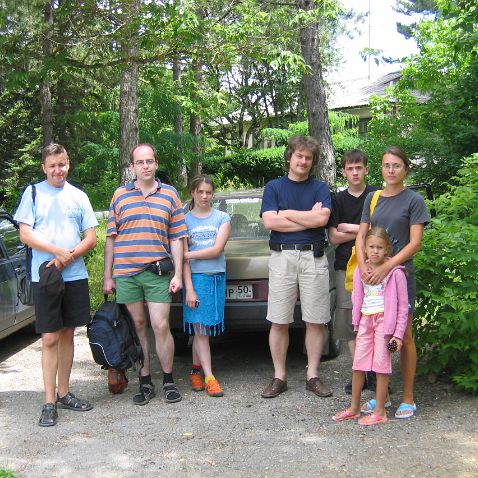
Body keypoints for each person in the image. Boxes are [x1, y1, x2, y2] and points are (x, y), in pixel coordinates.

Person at [14, 143, 98, 427]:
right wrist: (55, 251)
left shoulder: (78, 196)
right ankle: (48, 401)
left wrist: (68, 256)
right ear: (44, 168)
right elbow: (26, 234)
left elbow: (91, 237)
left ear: (68, 163)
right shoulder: (33, 193)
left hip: (74, 275)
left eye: (61, 164)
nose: (57, 170)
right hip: (45, 277)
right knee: (49, 337)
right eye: (52, 166)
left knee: (67, 333)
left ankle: (64, 393)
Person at [103, 143, 187, 406]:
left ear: (156, 164)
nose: (146, 166)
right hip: (126, 274)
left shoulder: (170, 195)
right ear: (132, 167)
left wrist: (179, 274)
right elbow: (110, 239)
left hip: (158, 272)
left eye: (150, 161)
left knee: (161, 326)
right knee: (138, 327)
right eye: (140, 162)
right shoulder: (119, 196)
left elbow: (177, 238)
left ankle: (169, 381)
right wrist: (108, 275)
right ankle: (145, 380)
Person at [355, 146, 430, 419]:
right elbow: (361, 237)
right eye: (386, 165)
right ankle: (382, 396)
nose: (390, 170)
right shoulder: (373, 198)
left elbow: (415, 243)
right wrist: (365, 268)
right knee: (378, 335)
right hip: (374, 281)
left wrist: (387, 266)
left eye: (396, 165)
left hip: (399, 279)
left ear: (405, 169)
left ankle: (408, 396)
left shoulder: (414, 200)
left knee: (404, 336)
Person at [260, 135, 333, 399]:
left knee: (316, 319)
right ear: (289, 157)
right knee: (279, 319)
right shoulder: (274, 188)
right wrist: (309, 219)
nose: (303, 161)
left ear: (312, 162)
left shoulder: (320, 188)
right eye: (299, 155)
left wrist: (286, 213)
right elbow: (270, 222)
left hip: (313, 257)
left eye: (308, 157)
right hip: (282, 258)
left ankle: (312, 375)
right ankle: (279, 377)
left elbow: (323, 218)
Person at [332, 227, 409, 425]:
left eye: (380, 247)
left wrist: (398, 335)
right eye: (371, 247)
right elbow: (357, 298)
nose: (375, 251)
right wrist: (356, 323)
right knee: (358, 364)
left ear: (387, 250)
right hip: (366, 322)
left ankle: (381, 412)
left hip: (385, 324)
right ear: (364, 249)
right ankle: (354, 407)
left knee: (382, 367)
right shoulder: (361, 270)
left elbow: (402, 308)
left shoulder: (396, 273)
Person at [328, 149, 380, 394]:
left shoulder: (376, 195)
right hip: (344, 266)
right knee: (351, 322)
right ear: (344, 171)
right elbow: (334, 236)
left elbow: (381, 233)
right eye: (350, 168)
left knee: (375, 318)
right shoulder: (337, 199)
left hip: (375, 265)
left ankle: (376, 372)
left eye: (359, 167)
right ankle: (359, 372)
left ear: (366, 169)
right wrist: (364, 229)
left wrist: (350, 228)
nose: (355, 172)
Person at [182, 175, 231, 397]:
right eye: (200, 191)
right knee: (201, 330)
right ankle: (210, 377)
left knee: (201, 328)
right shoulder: (183, 221)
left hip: (216, 278)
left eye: (208, 192)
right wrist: (189, 288)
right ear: (192, 192)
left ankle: (195, 370)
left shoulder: (222, 217)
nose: (204, 196)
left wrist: (187, 254)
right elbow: (183, 263)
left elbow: (216, 250)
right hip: (196, 279)